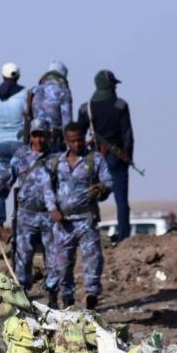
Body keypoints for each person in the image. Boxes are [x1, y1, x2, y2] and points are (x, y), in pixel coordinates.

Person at [47, 122, 113, 310]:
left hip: (86, 220)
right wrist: (52, 209)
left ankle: (91, 298)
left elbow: (108, 181)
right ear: (66, 141)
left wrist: (102, 187)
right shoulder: (57, 162)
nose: (77, 144)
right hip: (64, 223)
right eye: (73, 141)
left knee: (93, 261)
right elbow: (47, 188)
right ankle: (67, 300)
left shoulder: (95, 159)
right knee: (63, 265)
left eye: (80, 140)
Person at [78, 70, 134, 245]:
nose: (116, 87)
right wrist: (127, 157)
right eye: (114, 84)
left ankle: (87, 234)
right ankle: (124, 237)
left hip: (94, 158)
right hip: (117, 158)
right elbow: (127, 135)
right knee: (121, 200)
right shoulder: (120, 105)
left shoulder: (86, 108)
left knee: (89, 197)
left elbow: (78, 136)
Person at [11, 119, 58, 301]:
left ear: (48, 136)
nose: (39, 140)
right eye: (35, 135)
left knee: (53, 256)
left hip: (48, 214)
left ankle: (53, 294)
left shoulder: (55, 158)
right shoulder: (20, 156)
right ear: (30, 136)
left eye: (42, 136)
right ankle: (22, 295)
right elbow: (6, 178)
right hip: (26, 214)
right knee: (23, 256)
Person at [0, 62, 27, 224]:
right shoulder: (25, 94)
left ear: (2, 76)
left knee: (0, 183)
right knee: (26, 183)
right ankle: (23, 221)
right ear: (18, 76)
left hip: (2, 143)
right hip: (20, 142)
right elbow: (28, 115)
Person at [29, 61, 72, 152]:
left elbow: (27, 115)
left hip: (36, 139)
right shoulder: (63, 92)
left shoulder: (34, 90)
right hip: (54, 140)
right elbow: (67, 122)